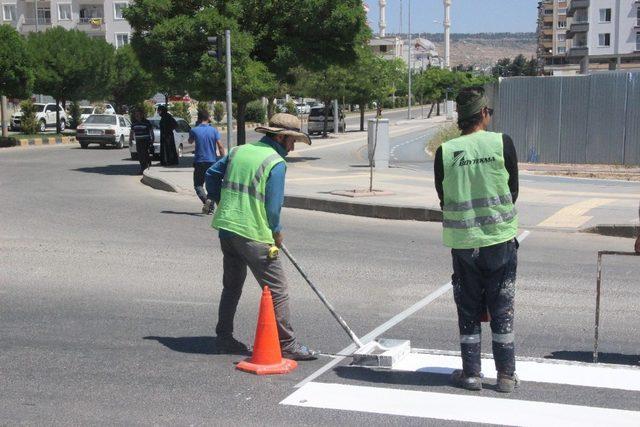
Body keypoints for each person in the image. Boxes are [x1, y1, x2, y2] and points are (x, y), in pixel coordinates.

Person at [204, 113, 318, 361]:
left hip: (227, 228)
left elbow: (211, 175)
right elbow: (273, 207)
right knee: (278, 289)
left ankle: (223, 338)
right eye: (292, 140)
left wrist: (221, 200)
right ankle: (287, 344)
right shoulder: (275, 163)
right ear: (280, 137)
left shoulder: (238, 151)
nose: (293, 146)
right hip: (254, 233)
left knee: (232, 286)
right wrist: (276, 232)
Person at [434, 87, 520, 393]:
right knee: (502, 306)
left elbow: (444, 198)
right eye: (489, 113)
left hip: (464, 242)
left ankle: (471, 374)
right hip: (499, 240)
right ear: (483, 113)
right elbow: (513, 191)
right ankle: (506, 375)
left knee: (468, 308)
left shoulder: (446, 151)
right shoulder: (501, 143)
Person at [188, 110, 225, 214]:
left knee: (198, 185)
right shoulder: (214, 130)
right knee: (212, 185)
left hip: (199, 161)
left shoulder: (194, 130)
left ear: (199, 118)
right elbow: (220, 146)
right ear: (208, 118)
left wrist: (195, 128)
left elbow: (190, 141)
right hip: (212, 161)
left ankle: (206, 201)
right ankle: (210, 205)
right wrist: (223, 160)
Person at [130, 109, 154, 174]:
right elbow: (132, 132)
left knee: (145, 154)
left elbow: (151, 131)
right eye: (136, 114)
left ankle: (147, 167)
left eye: (138, 114)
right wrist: (130, 140)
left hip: (146, 141)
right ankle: (143, 168)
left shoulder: (147, 122)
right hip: (138, 141)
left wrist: (152, 139)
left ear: (142, 115)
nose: (137, 115)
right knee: (140, 155)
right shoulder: (134, 123)